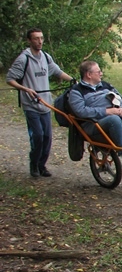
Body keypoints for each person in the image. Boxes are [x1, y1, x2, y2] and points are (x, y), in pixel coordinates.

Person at [5, 27, 73, 177]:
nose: (39, 41)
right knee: (38, 136)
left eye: (41, 38)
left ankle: (42, 165)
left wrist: (73, 80)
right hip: (31, 105)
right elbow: (10, 79)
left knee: (47, 137)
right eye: (36, 38)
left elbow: (56, 71)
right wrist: (26, 89)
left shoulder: (45, 57)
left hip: (45, 104)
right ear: (29, 40)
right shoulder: (24, 59)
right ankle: (34, 164)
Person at [68, 61, 122, 170]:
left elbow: (121, 99)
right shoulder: (76, 91)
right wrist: (107, 111)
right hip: (94, 124)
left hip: (115, 118)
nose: (101, 73)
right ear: (88, 75)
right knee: (113, 119)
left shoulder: (105, 85)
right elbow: (81, 111)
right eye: (98, 72)